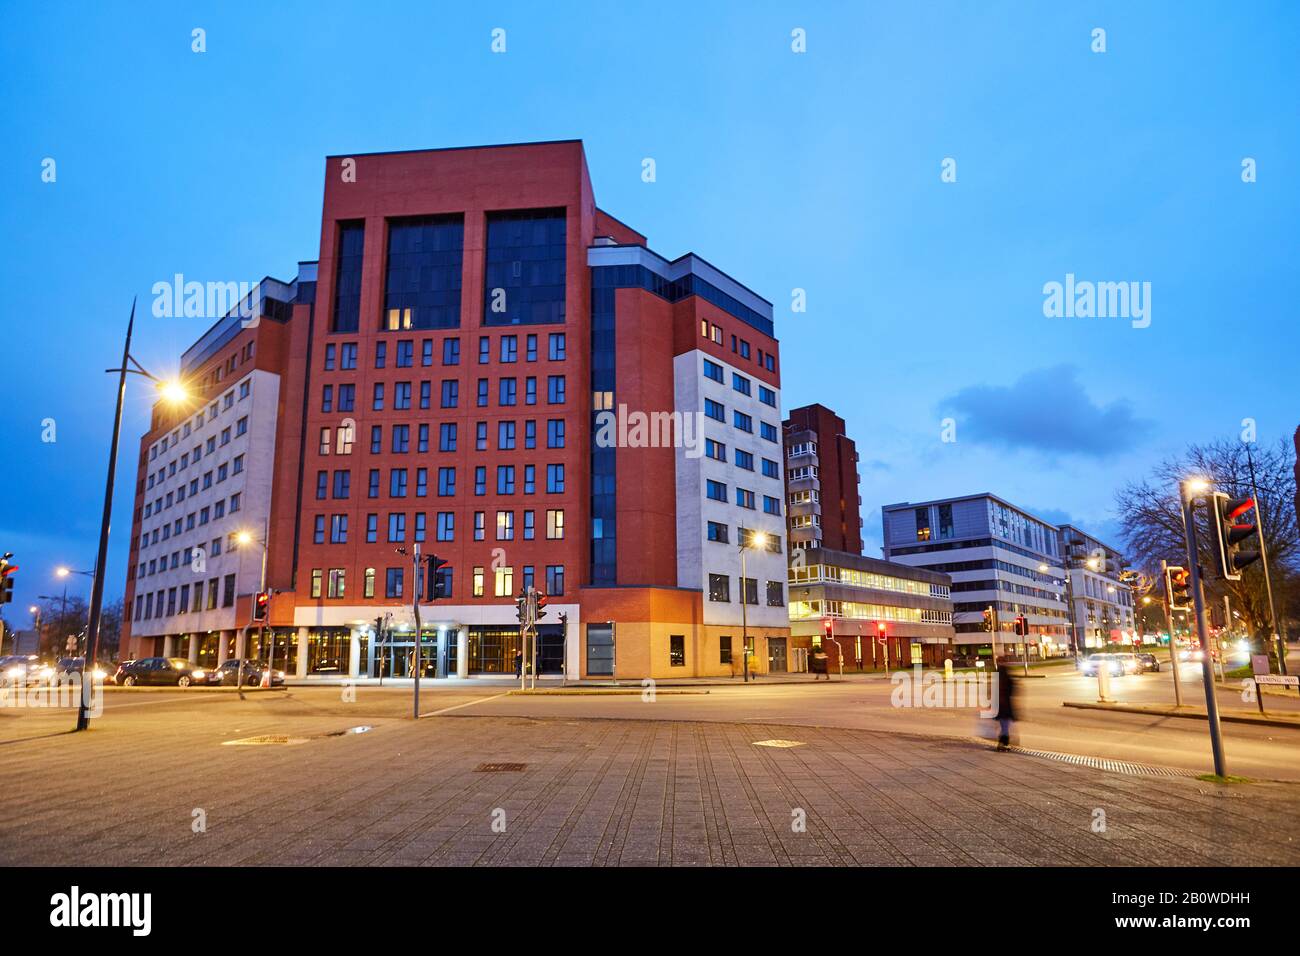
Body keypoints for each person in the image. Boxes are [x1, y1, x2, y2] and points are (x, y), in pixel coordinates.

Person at [994, 662, 1018, 751]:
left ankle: (1002, 743)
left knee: (1004, 726)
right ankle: (1003, 744)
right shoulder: (1007, 681)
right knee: (1005, 726)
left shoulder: (998, 683)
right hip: (1005, 707)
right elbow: (1012, 691)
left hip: (1000, 708)